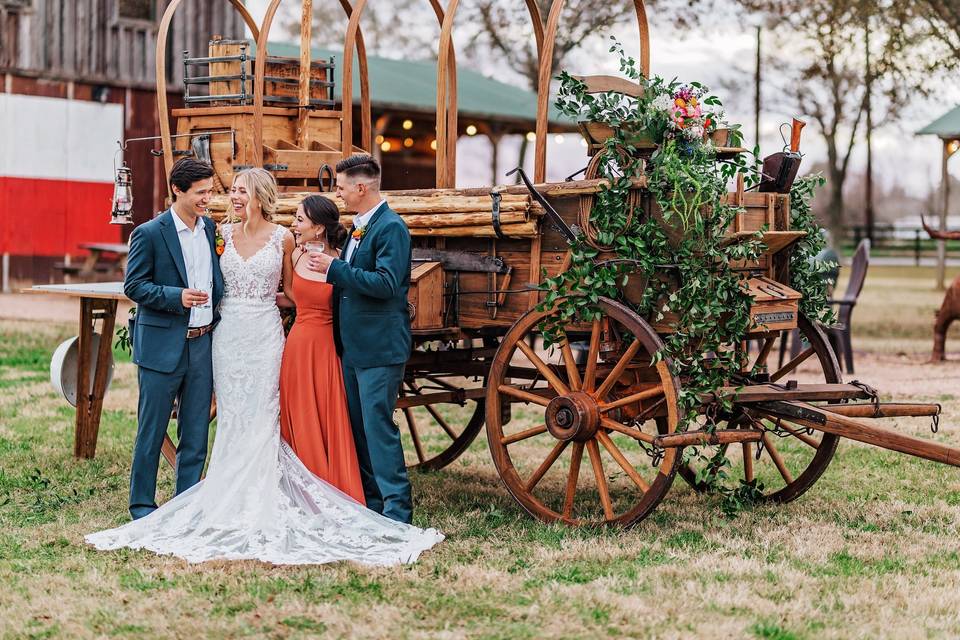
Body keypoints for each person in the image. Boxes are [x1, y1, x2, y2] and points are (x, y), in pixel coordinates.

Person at [86, 168, 442, 565]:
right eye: (227, 191)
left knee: (262, 418)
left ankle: (264, 493)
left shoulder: (282, 238)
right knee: (227, 419)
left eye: (240, 191)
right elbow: (177, 280)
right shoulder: (216, 234)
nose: (231, 197)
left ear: (258, 195)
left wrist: (315, 313)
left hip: (265, 337)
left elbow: (294, 292)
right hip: (225, 338)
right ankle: (192, 499)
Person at [306, 154, 414, 524]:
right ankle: (373, 504)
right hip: (352, 346)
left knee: (378, 427)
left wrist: (335, 269)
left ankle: (397, 510)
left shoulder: (391, 228)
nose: (337, 194)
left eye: (340, 187)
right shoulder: (358, 227)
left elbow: (387, 284)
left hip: (379, 348)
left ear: (361, 187)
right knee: (359, 429)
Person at [123, 158, 223, 520]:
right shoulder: (149, 233)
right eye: (200, 193)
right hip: (162, 346)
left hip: (202, 343)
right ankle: (142, 507)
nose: (207, 199)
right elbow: (133, 285)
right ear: (177, 190)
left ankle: (186, 505)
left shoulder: (211, 229)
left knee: (196, 432)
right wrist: (174, 296)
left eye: (210, 191)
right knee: (151, 431)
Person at [278, 195, 365, 503]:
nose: (293, 225)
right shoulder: (295, 256)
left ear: (318, 228)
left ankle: (332, 483)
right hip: (299, 345)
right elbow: (289, 294)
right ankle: (300, 487)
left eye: (299, 220)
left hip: (329, 346)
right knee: (299, 413)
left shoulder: (342, 258)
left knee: (329, 412)